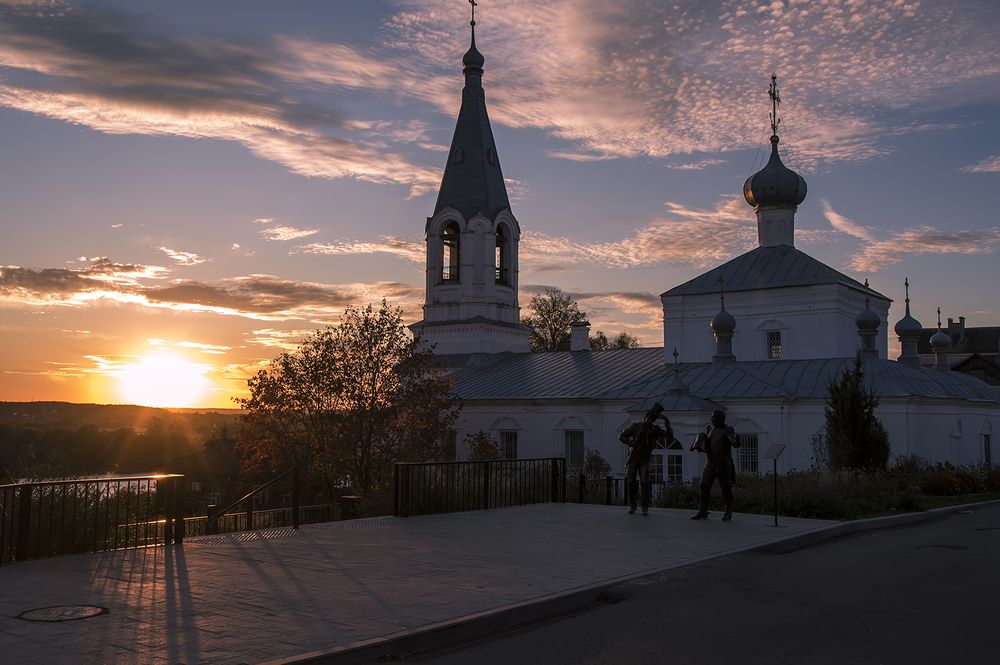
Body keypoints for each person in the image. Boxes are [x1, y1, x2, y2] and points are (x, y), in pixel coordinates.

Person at [619, 402, 671, 515]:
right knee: (631, 481)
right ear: (645, 416)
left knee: (645, 481)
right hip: (633, 458)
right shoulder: (635, 426)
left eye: (652, 419)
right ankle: (632, 505)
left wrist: (667, 423)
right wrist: (631, 443)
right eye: (649, 417)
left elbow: (670, 436)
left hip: (644, 459)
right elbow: (621, 436)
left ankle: (645, 506)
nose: (650, 420)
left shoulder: (654, 429)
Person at [690, 409, 740, 521]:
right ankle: (703, 511)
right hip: (710, 462)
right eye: (711, 417)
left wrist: (736, 440)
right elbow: (707, 444)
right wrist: (700, 444)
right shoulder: (709, 428)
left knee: (726, 487)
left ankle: (728, 511)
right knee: (704, 484)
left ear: (721, 419)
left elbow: (735, 443)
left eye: (714, 417)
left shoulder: (728, 430)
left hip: (723, 463)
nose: (712, 419)